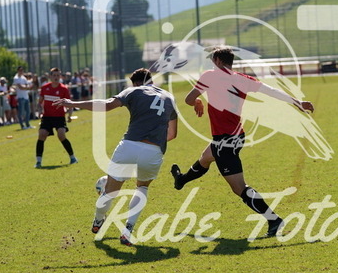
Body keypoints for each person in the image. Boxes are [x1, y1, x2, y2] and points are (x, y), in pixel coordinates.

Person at [170, 46, 315, 237]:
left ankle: (274, 220)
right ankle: (181, 180)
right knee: (205, 158)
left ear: (218, 61)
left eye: (213, 61)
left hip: (225, 140)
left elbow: (189, 99)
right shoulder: (243, 79)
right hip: (237, 136)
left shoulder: (210, 76)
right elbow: (271, 91)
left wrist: (197, 102)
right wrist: (298, 102)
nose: (212, 65)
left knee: (239, 188)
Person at [53, 68, 178, 246]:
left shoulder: (134, 91)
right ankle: (127, 232)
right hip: (154, 150)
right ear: (151, 80)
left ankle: (98, 220)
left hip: (129, 145)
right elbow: (172, 134)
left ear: (136, 83)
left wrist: (73, 103)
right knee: (142, 187)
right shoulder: (169, 97)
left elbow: (106, 105)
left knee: (110, 191)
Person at [35, 67, 77, 168]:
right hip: (47, 117)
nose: (56, 77)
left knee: (61, 135)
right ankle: (38, 162)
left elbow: (70, 104)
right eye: (54, 75)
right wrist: (39, 111)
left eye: (58, 75)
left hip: (59, 117)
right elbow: (40, 102)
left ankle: (73, 158)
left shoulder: (64, 89)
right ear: (50, 76)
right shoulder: (45, 88)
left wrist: (70, 115)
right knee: (42, 135)